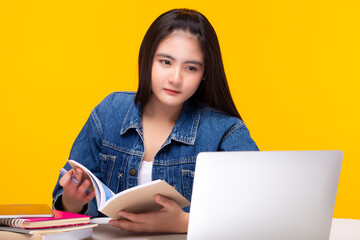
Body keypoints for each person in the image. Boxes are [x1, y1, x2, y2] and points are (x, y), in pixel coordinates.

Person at [52, 8, 259, 233]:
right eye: (165, 62)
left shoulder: (224, 130)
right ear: (148, 59)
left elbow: (260, 209)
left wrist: (182, 223)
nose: (176, 78)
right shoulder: (109, 112)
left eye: (191, 68)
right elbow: (67, 207)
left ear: (204, 73)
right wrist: (73, 202)